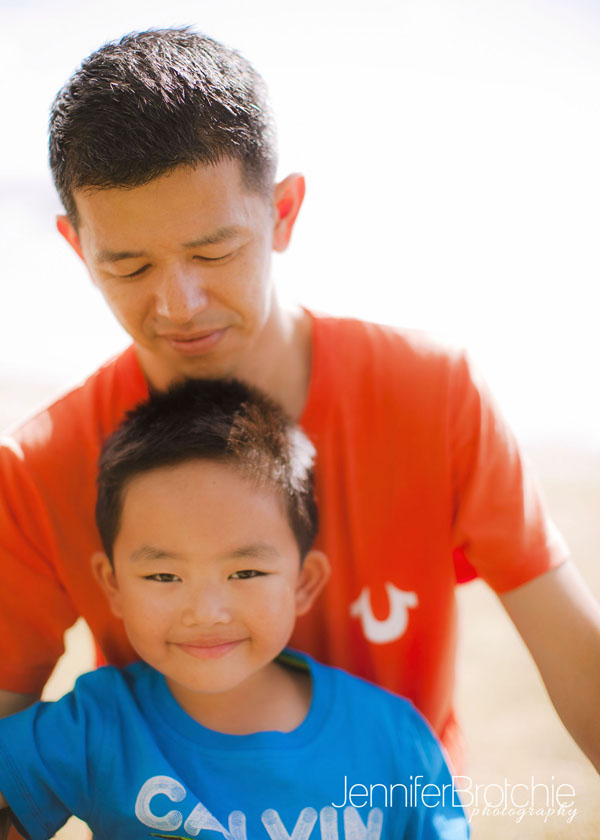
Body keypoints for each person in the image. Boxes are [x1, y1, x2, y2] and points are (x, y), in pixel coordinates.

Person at [0, 27, 598, 776]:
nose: (179, 303)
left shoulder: (433, 396)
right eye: (129, 267)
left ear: (283, 214)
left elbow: (580, 661)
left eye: (214, 252)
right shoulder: (39, 467)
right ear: (77, 247)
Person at [0, 379, 469, 838]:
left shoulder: (392, 738)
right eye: (164, 576)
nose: (206, 612)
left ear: (304, 582)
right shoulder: (97, 725)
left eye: (245, 573)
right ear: (113, 585)